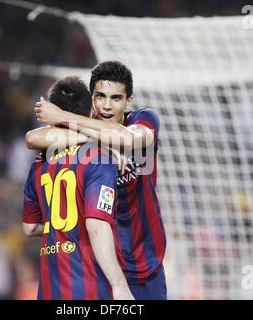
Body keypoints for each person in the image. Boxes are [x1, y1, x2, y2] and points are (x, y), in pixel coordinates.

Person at [26, 61, 167, 300]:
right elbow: (33, 138)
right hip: (105, 265)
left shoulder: (144, 119)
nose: (106, 106)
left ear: (129, 101)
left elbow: (130, 139)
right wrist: (96, 143)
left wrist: (62, 116)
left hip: (147, 262)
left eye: (116, 98)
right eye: (100, 96)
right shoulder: (88, 140)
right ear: (92, 98)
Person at [22, 76, 133, 300]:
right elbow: (96, 226)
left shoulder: (38, 165)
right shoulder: (99, 158)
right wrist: (119, 284)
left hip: (49, 292)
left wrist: (59, 228)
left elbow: (30, 227)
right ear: (89, 112)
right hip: (88, 291)